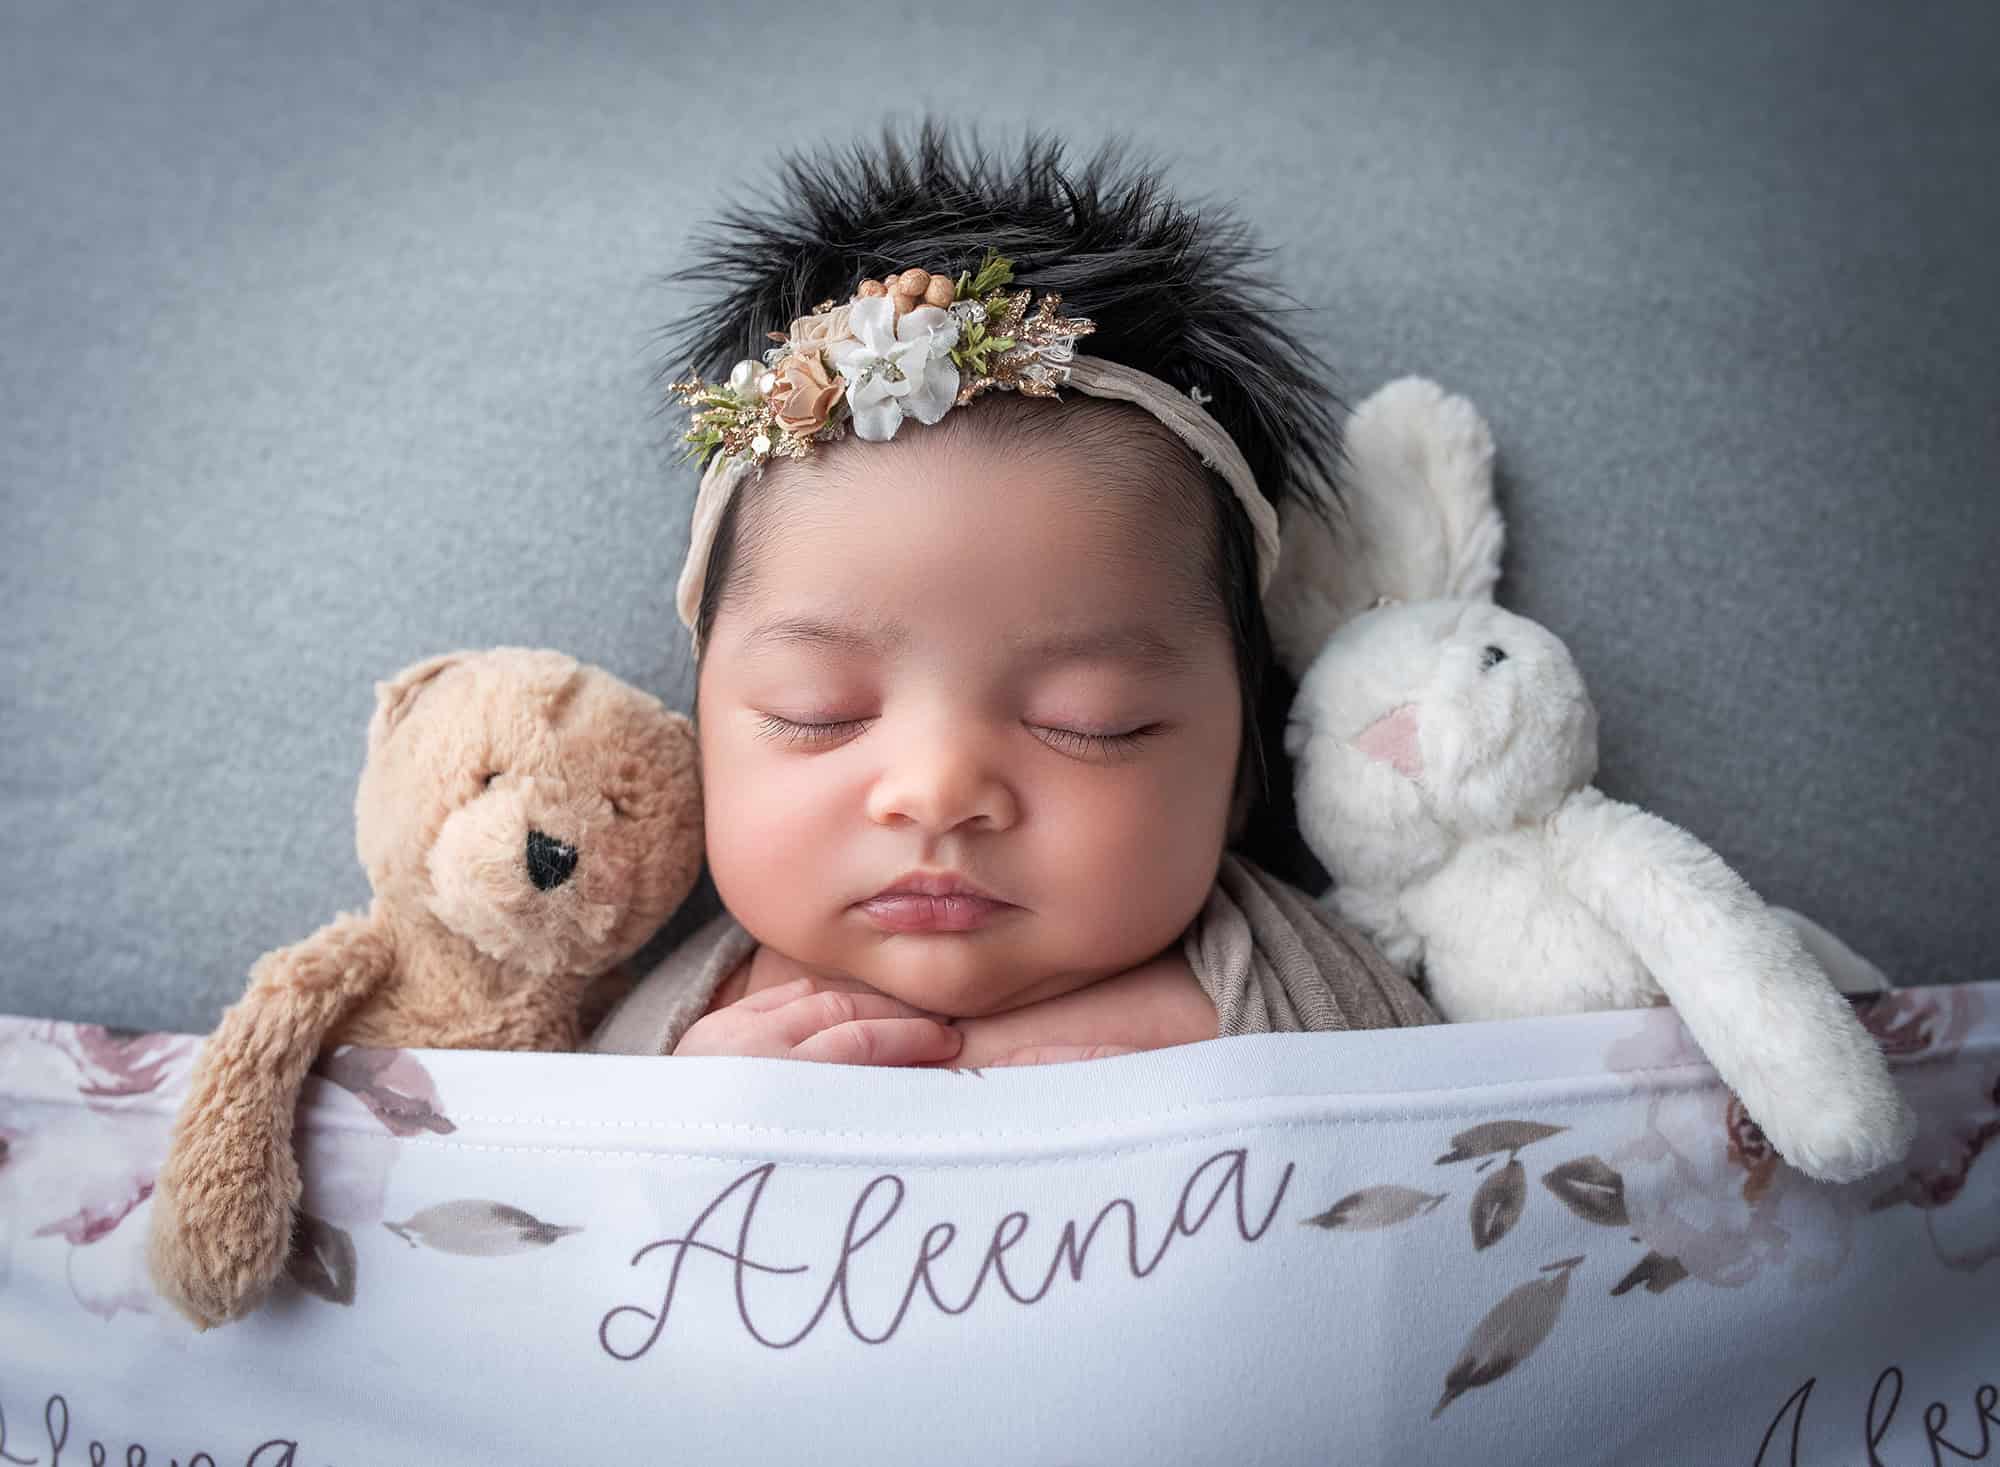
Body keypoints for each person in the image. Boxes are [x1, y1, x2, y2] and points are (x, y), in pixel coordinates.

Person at [589, 119, 1436, 1067]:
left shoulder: (1310, 1019)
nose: (939, 791)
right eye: (815, 711)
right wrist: (692, 1118)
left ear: (1242, 765)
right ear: (701, 733)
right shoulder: (680, 1039)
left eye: (1090, 722)